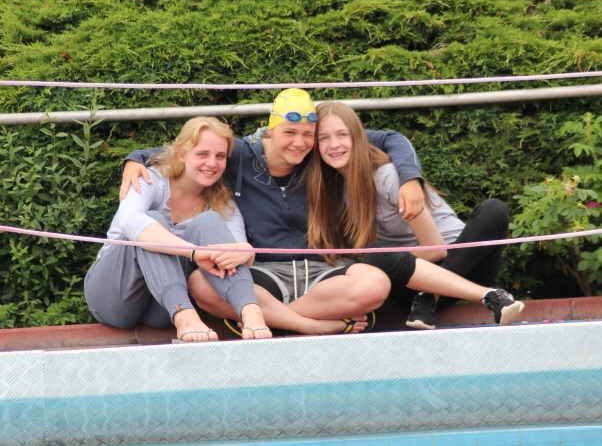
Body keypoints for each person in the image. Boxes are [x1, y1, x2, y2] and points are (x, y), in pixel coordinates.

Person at [119, 89, 426, 335]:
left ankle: (272, 318)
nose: (299, 142)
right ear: (270, 130)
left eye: (308, 134)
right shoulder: (238, 154)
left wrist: (411, 179)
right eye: (289, 132)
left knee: (375, 283)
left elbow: (390, 138)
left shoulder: (320, 152)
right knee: (200, 283)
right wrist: (134, 159)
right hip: (264, 273)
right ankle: (310, 325)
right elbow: (185, 153)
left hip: (323, 271)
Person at [306, 101, 524, 329]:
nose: (334, 145)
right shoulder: (333, 189)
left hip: (464, 266)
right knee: (377, 255)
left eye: (342, 135)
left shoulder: (387, 176)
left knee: (494, 209)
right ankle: (464, 297)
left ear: (359, 137)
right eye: (324, 138)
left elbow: (436, 250)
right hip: (410, 284)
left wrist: (421, 283)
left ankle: (431, 297)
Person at [85, 117, 272, 341]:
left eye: (220, 156)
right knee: (152, 220)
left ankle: (251, 311)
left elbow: (236, 249)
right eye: (202, 154)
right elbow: (130, 221)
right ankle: (185, 317)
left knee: (210, 222)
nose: (212, 163)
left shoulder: (223, 202)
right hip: (114, 297)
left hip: (164, 307)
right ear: (182, 155)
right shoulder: (151, 180)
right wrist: (194, 252)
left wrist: (246, 251)